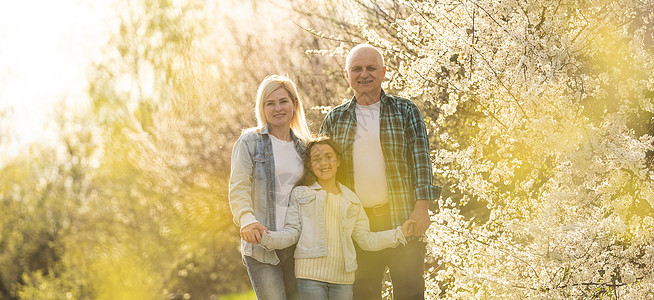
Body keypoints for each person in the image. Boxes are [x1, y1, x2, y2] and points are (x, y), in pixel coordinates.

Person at [319, 44, 440, 300]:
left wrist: (422, 207)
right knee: (362, 295)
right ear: (347, 75)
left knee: (410, 294)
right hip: (357, 228)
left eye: (371, 68)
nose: (364, 74)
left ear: (384, 72)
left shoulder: (405, 111)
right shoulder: (335, 118)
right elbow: (325, 172)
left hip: (402, 220)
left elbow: (421, 161)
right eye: (357, 69)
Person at [259, 137, 415, 300]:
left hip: (343, 281)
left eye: (328, 157)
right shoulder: (301, 194)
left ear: (338, 160)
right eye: (317, 159)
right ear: (310, 165)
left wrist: (399, 233)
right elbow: (292, 232)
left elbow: (366, 239)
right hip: (310, 278)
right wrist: (265, 237)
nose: (324, 163)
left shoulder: (352, 199)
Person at [229, 74, 312, 300]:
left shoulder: (305, 148)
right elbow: (238, 187)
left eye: (283, 101)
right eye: (270, 103)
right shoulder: (249, 143)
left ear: (294, 105)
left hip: (297, 246)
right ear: (262, 108)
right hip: (261, 247)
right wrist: (247, 219)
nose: (278, 108)